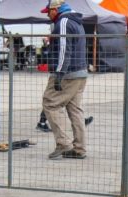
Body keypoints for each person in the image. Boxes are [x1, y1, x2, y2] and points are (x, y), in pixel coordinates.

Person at [40, 0, 88, 160]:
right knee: (75, 109)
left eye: (49, 11)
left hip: (68, 74)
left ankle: (63, 144)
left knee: (50, 103)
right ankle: (79, 148)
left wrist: (59, 74)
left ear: (56, 9)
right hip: (80, 72)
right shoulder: (76, 21)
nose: (48, 15)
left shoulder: (64, 22)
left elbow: (63, 49)